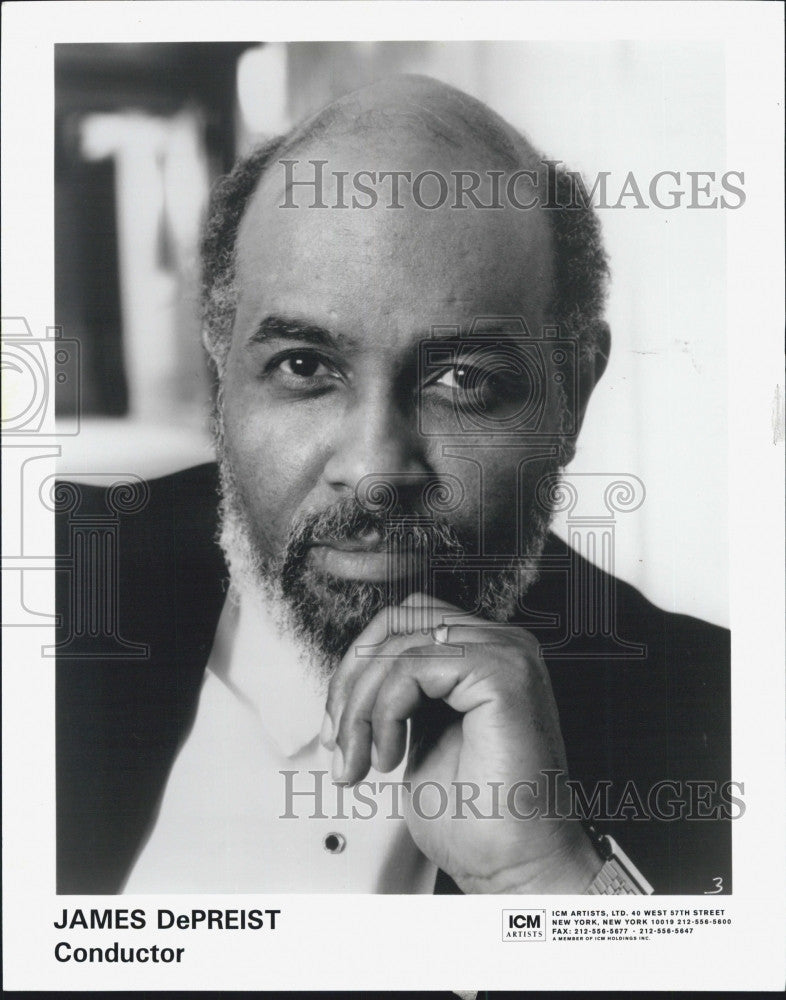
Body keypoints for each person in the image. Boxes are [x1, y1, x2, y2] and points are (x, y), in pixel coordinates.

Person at [56, 75, 731, 895]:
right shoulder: (45, 596)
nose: (376, 468)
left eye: (460, 379)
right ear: (221, 366)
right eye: (304, 367)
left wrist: (549, 881)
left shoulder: (723, 718)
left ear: (572, 396)